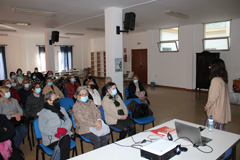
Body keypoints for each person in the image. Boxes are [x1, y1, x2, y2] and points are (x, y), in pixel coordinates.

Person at [39, 91, 72, 160]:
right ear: (49, 101)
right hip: (51, 138)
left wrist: (64, 130)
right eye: (55, 99)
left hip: (64, 133)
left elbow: (68, 120)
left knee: (65, 139)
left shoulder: (61, 109)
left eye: (57, 98)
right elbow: (43, 129)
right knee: (65, 142)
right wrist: (57, 132)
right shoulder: (43, 113)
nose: (57, 100)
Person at [204, 59, 231, 130]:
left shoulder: (215, 80)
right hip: (221, 111)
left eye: (210, 66)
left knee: (208, 130)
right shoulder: (223, 79)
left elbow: (212, 97)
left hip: (215, 112)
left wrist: (207, 107)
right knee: (220, 131)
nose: (209, 68)